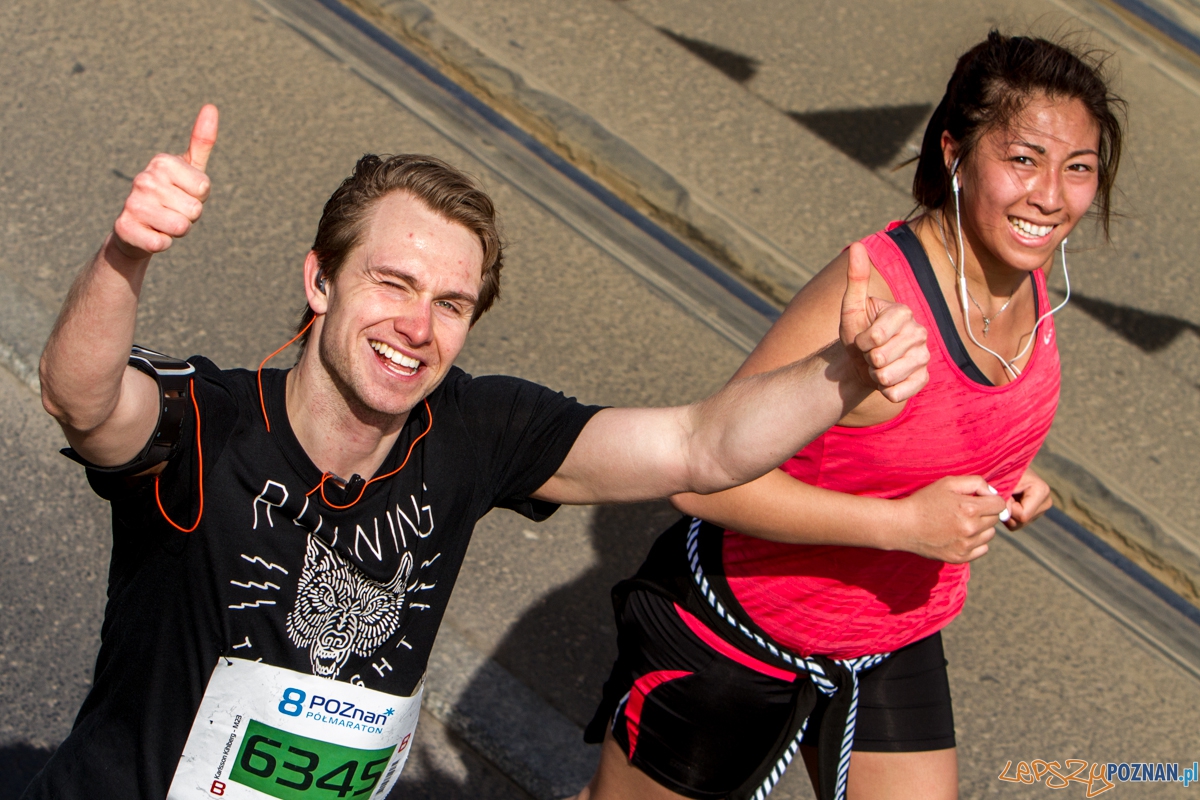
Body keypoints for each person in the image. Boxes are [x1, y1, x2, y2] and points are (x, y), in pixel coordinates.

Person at [27, 103, 929, 800]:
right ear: (319, 280)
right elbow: (84, 397)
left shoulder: (472, 430)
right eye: (393, 283)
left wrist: (841, 375)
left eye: (450, 304)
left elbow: (699, 446)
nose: (415, 327)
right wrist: (126, 254)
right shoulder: (214, 426)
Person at [574, 31, 1124, 800]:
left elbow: (943, 419)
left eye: (1079, 169)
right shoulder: (875, 295)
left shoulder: (1027, 278)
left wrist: (1009, 473)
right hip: (733, 640)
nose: (1051, 197)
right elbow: (702, 483)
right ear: (956, 154)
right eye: (1023, 159)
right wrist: (905, 527)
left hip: (890, 638)